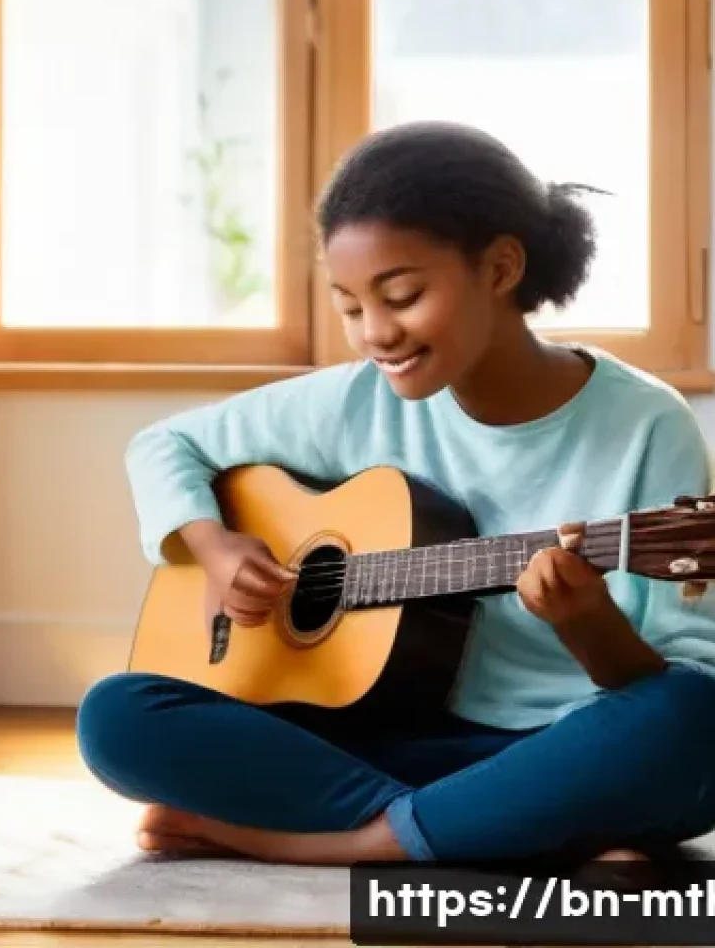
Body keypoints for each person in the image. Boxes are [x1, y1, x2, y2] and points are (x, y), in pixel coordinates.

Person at [76, 120, 715, 867]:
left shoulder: (645, 423)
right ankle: (504, 828)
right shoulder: (356, 400)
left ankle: (355, 839)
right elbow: (163, 445)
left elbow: (678, 671)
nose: (376, 333)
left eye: (402, 295)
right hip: (387, 739)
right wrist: (216, 548)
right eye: (350, 307)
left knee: (691, 718)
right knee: (118, 717)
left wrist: (588, 624)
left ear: (503, 267)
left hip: (568, 740)